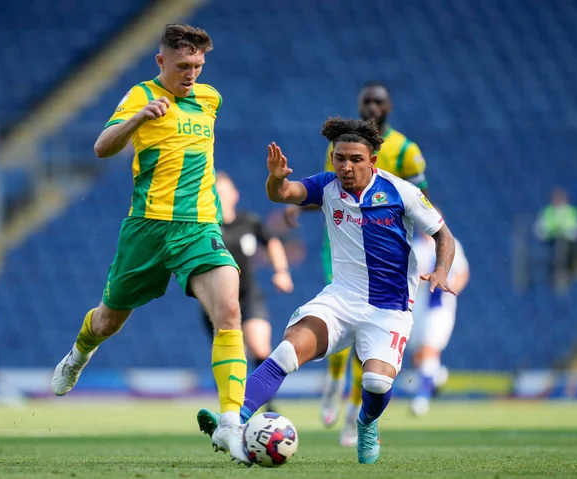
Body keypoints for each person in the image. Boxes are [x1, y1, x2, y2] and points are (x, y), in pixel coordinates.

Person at [197, 117, 456, 465]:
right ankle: (234, 421)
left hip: (388, 309)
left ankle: (366, 423)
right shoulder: (326, 187)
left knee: (377, 383)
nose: (346, 167)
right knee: (286, 352)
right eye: (339, 158)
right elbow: (284, 194)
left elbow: (443, 234)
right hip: (340, 300)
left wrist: (440, 270)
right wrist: (276, 179)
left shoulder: (401, 192)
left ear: (372, 161)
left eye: (355, 159)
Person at [50, 24, 248, 459]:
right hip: (147, 228)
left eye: (197, 65)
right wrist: (139, 118)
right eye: (182, 66)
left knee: (230, 311)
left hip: (198, 227)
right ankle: (78, 356)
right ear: (161, 62)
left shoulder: (211, 99)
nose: (191, 73)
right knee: (107, 323)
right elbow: (102, 147)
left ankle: (231, 424)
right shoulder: (141, 95)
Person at [286, 81, 430, 446]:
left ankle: (354, 416)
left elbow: (418, 201)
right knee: (339, 314)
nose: (372, 107)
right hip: (339, 246)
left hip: (383, 256)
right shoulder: (341, 148)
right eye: (366, 101)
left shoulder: (408, 152)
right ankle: (332, 383)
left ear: (389, 107)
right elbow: (327, 189)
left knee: (368, 339)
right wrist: (294, 204)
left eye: (378, 102)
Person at [201, 172, 294, 412]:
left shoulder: (249, 222)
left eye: (224, 192)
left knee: (260, 347)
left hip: (249, 295)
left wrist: (281, 271)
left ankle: (269, 407)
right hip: (215, 301)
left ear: (235, 195)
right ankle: (231, 409)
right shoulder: (205, 226)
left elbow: (271, 241)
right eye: (215, 193)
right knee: (234, 358)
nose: (220, 197)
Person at [409, 227, 469, 416]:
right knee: (419, 356)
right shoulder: (414, 247)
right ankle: (436, 375)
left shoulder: (451, 244)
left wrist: (451, 289)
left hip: (439, 307)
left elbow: (462, 272)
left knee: (429, 349)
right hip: (417, 306)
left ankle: (422, 398)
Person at [534, 187, 577, 290]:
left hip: (569, 243)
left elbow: (576, 231)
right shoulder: (547, 212)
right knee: (557, 246)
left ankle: (565, 273)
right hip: (551, 242)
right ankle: (555, 274)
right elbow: (540, 230)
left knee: (563, 245)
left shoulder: (573, 212)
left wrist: (563, 232)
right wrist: (553, 232)